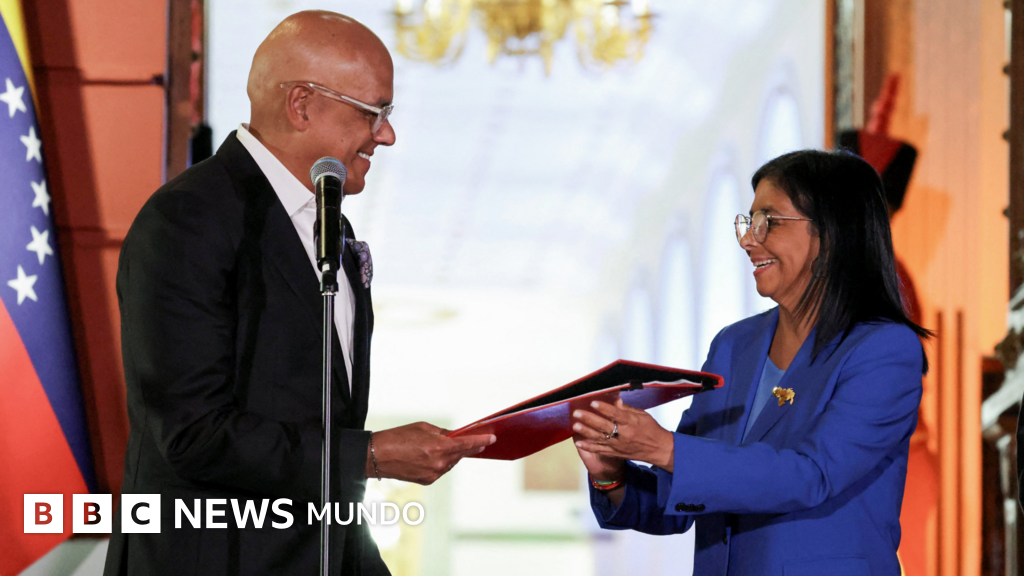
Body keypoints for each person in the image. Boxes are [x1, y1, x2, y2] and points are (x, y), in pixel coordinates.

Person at [104, 11, 493, 576]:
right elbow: (192, 434)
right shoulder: (189, 218)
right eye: (374, 112)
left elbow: (327, 489)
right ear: (302, 104)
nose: (386, 134)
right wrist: (371, 455)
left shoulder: (332, 226)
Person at [573, 149, 930, 575]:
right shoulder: (734, 344)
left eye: (769, 222)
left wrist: (665, 448)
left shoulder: (884, 349)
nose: (747, 240)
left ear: (831, 233)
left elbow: (812, 475)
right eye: (748, 221)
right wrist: (612, 472)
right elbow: (679, 494)